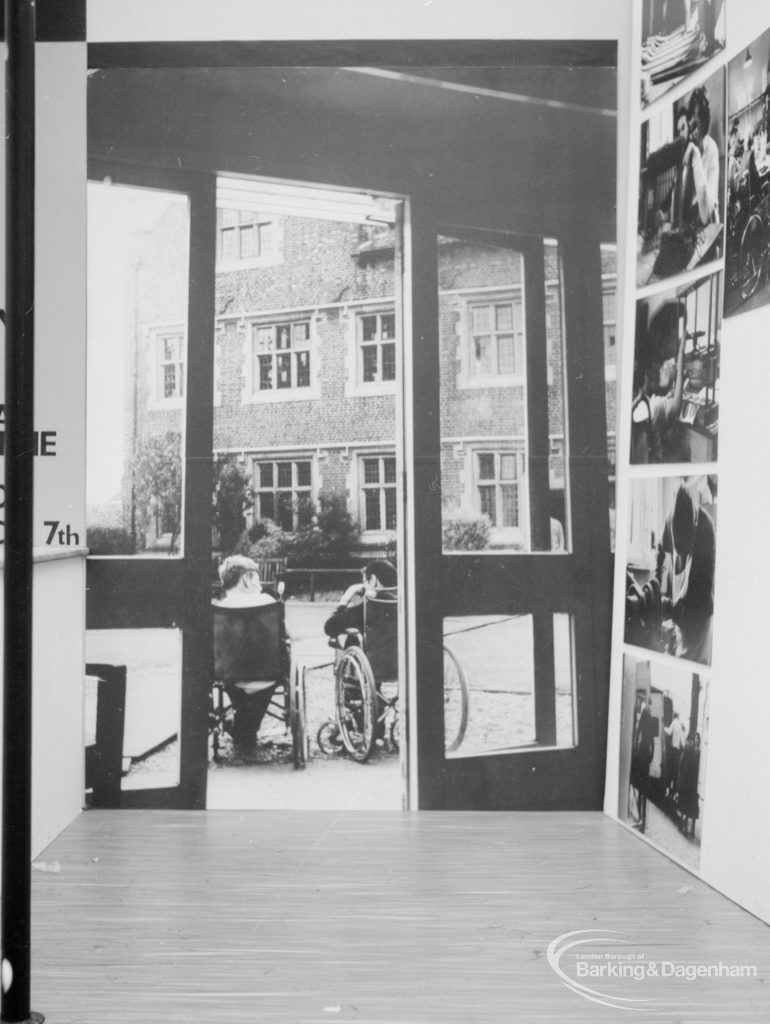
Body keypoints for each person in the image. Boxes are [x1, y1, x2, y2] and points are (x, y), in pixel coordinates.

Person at [213, 555, 277, 753]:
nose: (260, 584)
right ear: (246, 579)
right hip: (269, 675)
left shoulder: (218, 609)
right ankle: (244, 732)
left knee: (242, 704)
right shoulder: (267, 602)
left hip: (231, 676)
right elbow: (285, 635)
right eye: (256, 578)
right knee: (254, 708)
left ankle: (242, 731)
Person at [659, 484, 716, 663]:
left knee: (694, 662)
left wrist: (667, 606)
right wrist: (655, 580)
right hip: (682, 613)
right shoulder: (671, 518)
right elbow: (660, 550)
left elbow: (694, 613)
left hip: (699, 621)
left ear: (695, 524)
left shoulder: (706, 533)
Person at [631, 302, 687, 463]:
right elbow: (674, 406)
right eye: (676, 334)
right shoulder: (654, 379)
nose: (678, 340)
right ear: (666, 334)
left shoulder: (657, 362)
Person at [324, 558, 397, 644]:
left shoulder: (369, 607)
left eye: (364, 581)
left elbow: (330, 626)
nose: (364, 586)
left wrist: (346, 598)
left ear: (373, 580)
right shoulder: (403, 603)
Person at [681, 85, 720, 228]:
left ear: (705, 122)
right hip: (690, 228)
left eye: (697, 121)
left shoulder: (712, 150)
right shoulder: (686, 147)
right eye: (692, 121)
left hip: (709, 230)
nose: (693, 126)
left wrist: (696, 157)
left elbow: (705, 215)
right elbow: (680, 199)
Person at [631, 694, 657, 833]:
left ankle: (641, 819)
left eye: (647, 703)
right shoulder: (651, 718)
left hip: (642, 753)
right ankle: (643, 819)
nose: (648, 705)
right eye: (649, 703)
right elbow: (652, 741)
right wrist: (651, 757)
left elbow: (637, 732)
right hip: (646, 755)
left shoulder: (644, 714)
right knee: (643, 789)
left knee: (640, 788)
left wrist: (635, 748)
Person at [677, 731, 701, 837]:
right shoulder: (692, 750)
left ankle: (685, 826)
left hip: (691, 782)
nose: (695, 740)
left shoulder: (696, 751)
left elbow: (682, 763)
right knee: (685, 804)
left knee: (687, 805)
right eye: (694, 738)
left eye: (697, 739)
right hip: (689, 781)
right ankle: (684, 825)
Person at [663, 711, 686, 801]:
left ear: (674, 716)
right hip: (678, 753)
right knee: (676, 773)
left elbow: (669, 732)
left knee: (670, 771)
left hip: (672, 751)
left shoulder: (674, 722)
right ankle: (674, 793)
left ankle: (668, 790)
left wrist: (664, 727)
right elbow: (683, 744)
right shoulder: (680, 726)